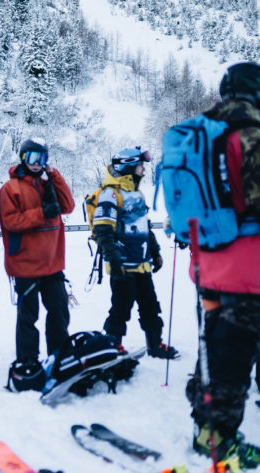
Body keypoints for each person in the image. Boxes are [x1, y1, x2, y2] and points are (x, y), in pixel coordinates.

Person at [184, 62, 260, 468]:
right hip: (249, 269)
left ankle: (205, 427)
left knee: (215, 349)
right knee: (234, 357)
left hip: (209, 266)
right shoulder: (251, 134)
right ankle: (219, 443)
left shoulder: (199, 136)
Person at [0, 138, 75, 390]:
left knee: (59, 310)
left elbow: (68, 206)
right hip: (25, 264)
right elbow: (11, 221)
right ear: (23, 158)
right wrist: (42, 214)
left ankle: (59, 355)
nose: (37, 163)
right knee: (28, 316)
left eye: (42, 158)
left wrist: (55, 176)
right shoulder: (11, 188)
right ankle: (27, 360)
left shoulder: (48, 185)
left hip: (52, 263)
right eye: (32, 157)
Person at [91, 147, 178, 360]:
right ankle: (113, 344)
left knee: (150, 305)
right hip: (122, 264)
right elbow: (103, 230)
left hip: (141, 262)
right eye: (140, 166)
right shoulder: (110, 194)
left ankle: (154, 343)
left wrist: (155, 251)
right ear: (129, 167)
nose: (144, 170)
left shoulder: (137, 194)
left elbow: (144, 226)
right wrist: (114, 258)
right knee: (121, 307)